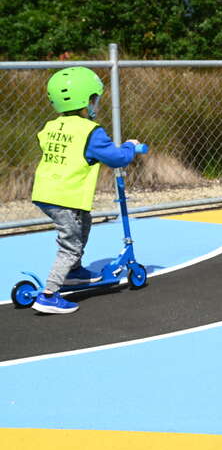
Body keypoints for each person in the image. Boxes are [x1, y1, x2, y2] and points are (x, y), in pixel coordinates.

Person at [30, 67, 142, 314]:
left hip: (47, 192)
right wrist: (130, 147)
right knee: (70, 243)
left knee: (83, 224)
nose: (96, 104)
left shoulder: (51, 126)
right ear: (88, 101)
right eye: (95, 99)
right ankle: (49, 294)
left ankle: (74, 271)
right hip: (64, 195)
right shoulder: (90, 131)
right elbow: (115, 158)